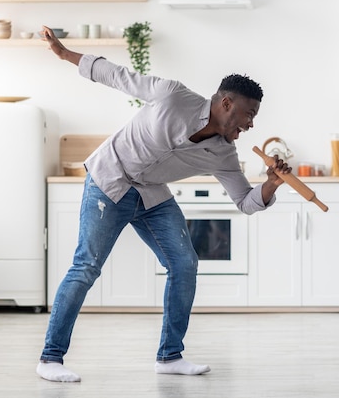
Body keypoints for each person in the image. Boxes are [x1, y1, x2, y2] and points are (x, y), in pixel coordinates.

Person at [36, 26, 291, 382]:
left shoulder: (224, 154)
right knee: (86, 266)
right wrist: (65, 54)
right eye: (249, 114)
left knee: (184, 264)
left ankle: (170, 356)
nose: (250, 124)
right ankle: (50, 358)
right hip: (110, 181)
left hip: (151, 194)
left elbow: (246, 202)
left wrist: (270, 184)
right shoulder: (172, 96)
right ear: (226, 104)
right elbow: (116, 75)